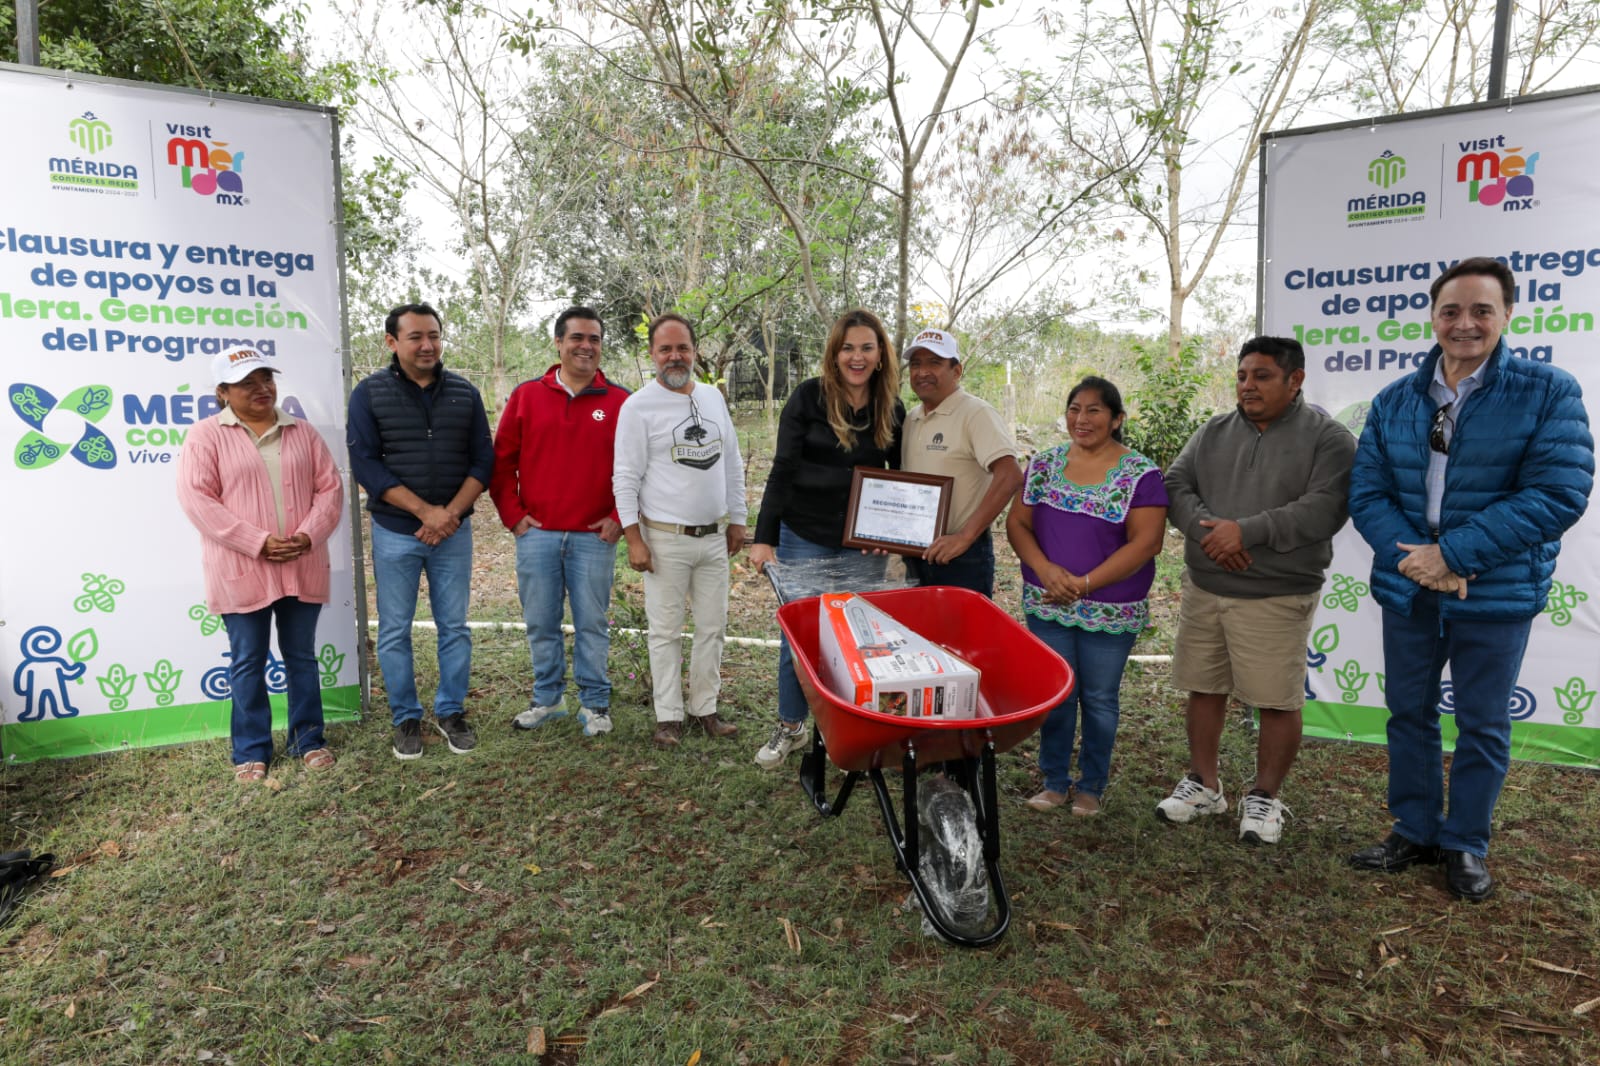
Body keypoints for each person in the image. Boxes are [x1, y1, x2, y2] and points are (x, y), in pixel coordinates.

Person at [1346, 257, 1593, 901]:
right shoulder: (1397, 399)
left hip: (1494, 586)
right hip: (1410, 585)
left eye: (1482, 310)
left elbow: (1559, 492)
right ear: (1432, 317)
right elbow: (1367, 491)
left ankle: (1465, 843)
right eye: (1451, 310)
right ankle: (1417, 827)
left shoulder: (1548, 391)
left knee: (1482, 722)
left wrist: (1453, 555)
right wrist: (1416, 560)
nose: (1465, 324)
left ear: (1508, 314)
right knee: (1409, 712)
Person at [1157, 336, 1355, 845]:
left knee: (1275, 699)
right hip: (1206, 585)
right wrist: (1212, 533)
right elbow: (1176, 485)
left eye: (1262, 376)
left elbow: (1327, 506)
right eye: (1243, 375)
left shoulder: (1329, 439)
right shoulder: (1213, 431)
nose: (1247, 386)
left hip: (1277, 593)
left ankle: (1265, 795)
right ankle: (1204, 784)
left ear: (1296, 380)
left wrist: (1247, 531)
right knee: (1204, 686)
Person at [177, 348, 344, 782]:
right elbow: (197, 500)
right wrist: (257, 542)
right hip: (242, 566)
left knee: (301, 657)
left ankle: (308, 739)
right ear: (223, 392)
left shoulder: (302, 432)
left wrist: (307, 535)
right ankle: (251, 748)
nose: (261, 388)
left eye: (266, 378)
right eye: (247, 382)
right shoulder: (205, 436)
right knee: (248, 660)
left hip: (301, 561)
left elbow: (329, 489)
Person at [748, 309, 904, 769]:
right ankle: (791, 726)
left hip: (861, 544)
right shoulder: (807, 398)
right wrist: (764, 538)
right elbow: (782, 470)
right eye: (848, 348)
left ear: (880, 356)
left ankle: (853, 730)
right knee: (799, 635)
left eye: (866, 348)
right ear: (834, 354)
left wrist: (889, 534)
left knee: (859, 638)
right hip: (804, 535)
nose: (857, 357)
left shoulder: (891, 406)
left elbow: (898, 480)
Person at [1006, 377, 1168, 816]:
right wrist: (1046, 571)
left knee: (1098, 698)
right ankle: (1054, 781)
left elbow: (1146, 543)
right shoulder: (1043, 465)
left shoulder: (1141, 474)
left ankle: (1092, 786)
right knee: (1056, 692)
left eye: (1095, 410)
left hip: (1110, 608)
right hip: (1047, 601)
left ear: (1117, 419)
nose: (1082, 419)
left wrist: (1085, 583)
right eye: (1075, 408)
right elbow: (1017, 525)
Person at [348, 303, 494, 761]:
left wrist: (448, 514)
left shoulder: (465, 394)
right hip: (395, 533)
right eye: (415, 337)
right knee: (394, 630)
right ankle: (405, 717)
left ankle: (451, 711)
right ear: (392, 342)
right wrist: (424, 512)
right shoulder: (368, 394)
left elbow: (484, 461)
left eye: (433, 335)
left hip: (453, 533)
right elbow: (366, 464)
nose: (427, 344)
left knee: (455, 627)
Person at [490, 306, 629, 739]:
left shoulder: (621, 401)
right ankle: (548, 698)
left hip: (594, 537)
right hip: (538, 536)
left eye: (594, 339)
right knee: (541, 622)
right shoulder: (527, 396)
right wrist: (514, 518)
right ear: (558, 342)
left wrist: (619, 519)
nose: (586, 346)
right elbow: (500, 463)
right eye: (577, 338)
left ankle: (595, 703)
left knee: (592, 622)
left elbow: (640, 468)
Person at [613, 314, 748, 749]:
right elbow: (625, 478)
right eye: (665, 349)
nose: (675, 356)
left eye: (683, 348)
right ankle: (667, 715)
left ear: (695, 351)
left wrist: (739, 519)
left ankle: (704, 708)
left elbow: (731, 462)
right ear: (652, 355)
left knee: (713, 627)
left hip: (712, 537)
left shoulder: (712, 398)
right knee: (665, 630)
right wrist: (634, 538)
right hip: (664, 538)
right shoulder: (638, 407)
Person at [899, 328, 1022, 596]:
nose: (922, 372)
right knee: (918, 633)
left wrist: (965, 537)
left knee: (962, 636)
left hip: (961, 557)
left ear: (957, 371)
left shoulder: (976, 413)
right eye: (916, 364)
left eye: (934, 363)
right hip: (916, 551)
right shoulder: (911, 418)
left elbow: (1010, 475)